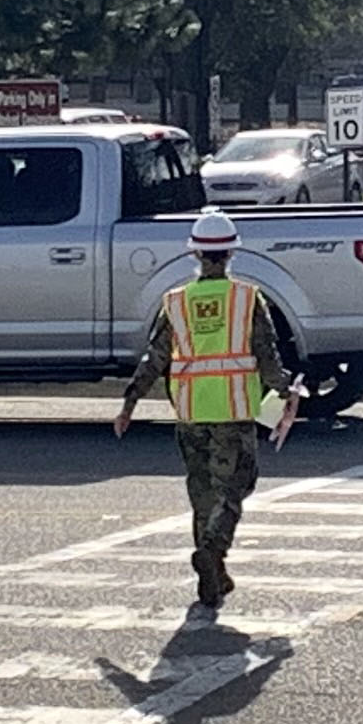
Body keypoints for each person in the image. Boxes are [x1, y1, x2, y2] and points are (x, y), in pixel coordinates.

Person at [114, 207, 297, 608]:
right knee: (234, 489)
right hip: (233, 410)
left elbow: (155, 358)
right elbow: (267, 355)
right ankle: (212, 553)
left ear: (195, 254)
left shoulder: (176, 302)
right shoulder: (248, 298)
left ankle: (211, 580)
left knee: (202, 494)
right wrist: (284, 394)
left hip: (191, 412)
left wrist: (130, 402)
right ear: (231, 254)